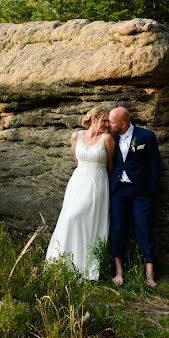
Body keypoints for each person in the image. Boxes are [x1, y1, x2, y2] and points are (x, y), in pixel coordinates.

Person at [45, 106, 116, 280]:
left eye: (108, 121)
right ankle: (61, 262)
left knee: (81, 219)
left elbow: (110, 166)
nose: (107, 125)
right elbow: (78, 161)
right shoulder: (76, 136)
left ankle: (84, 266)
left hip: (97, 182)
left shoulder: (107, 138)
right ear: (94, 118)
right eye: (104, 120)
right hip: (77, 183)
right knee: (67, 219)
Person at [107, 106, 160, 288]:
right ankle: (118, 272)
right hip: (118, 191)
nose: (108, 124)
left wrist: (151, 191)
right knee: (117, 228)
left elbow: (155, 166)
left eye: (112, 122)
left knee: (143, 228)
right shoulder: (110, 137)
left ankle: (150, 275)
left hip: (141, 192)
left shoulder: (146, 136)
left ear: (123, 123)